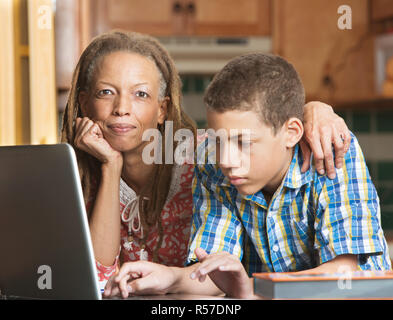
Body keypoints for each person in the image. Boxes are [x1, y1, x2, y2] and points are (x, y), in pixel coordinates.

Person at [104, 53, 391, 299]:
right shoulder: (212, 165)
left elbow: (345, 274)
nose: (227, 160)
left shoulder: (330, 150)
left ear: (291, 133)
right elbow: (213, 269)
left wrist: (252, 288)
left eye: (243, 143)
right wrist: (171, 278)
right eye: (218, 140)